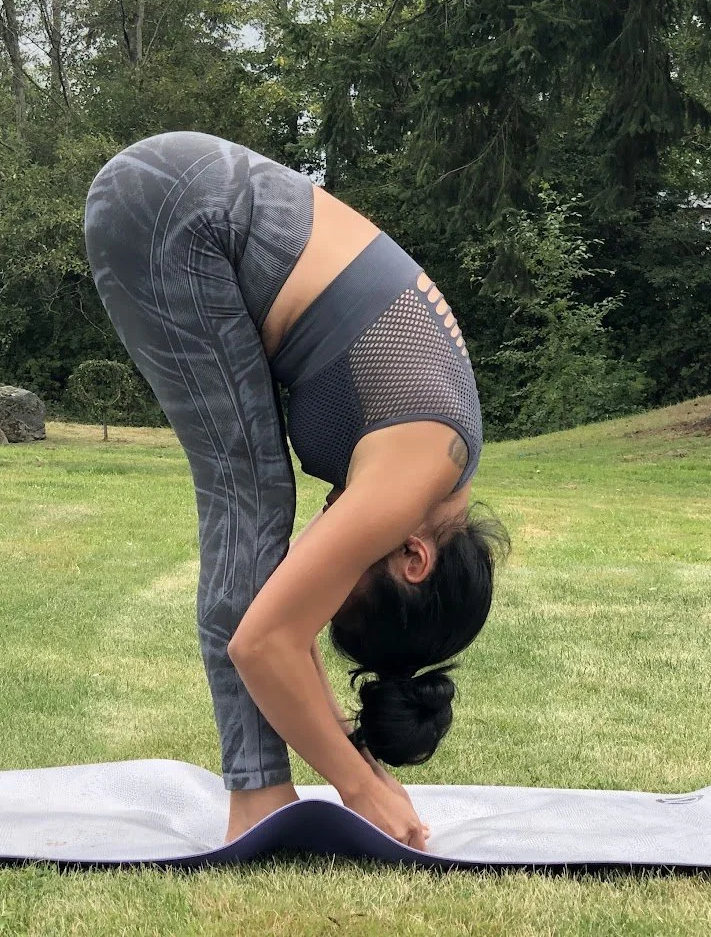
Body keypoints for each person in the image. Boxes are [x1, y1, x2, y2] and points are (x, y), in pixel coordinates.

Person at [84, 132, 507, 848]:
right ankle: (259, 797)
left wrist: (357, 751)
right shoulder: (416, 473)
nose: (327, 566)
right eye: (347, 584)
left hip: (187, 195)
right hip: (177, 212)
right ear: (413, 561)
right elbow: (267, 639)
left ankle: (260, 789)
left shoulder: (436, 461)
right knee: (249, 504)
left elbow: (281, 620)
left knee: (259, 509)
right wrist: (361, 787)